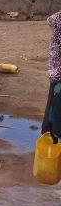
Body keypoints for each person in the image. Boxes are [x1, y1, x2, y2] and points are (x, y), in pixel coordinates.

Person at [41, 10, 61, 142]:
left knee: (52, 119)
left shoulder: (57, 19)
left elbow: (50, 20)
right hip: (58, 76)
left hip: (56, 74)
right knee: (54, 118)